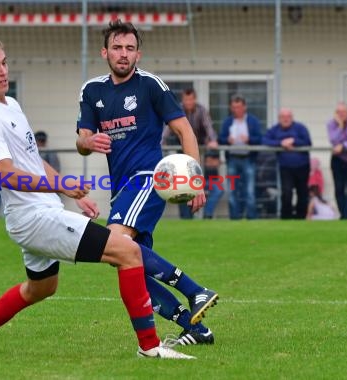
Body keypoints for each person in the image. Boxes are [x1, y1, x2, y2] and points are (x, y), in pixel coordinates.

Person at [0, 36, 199, 360]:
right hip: (33, 219)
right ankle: (150, 347)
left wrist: (71, 194)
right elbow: (7, 175)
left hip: (40, 212)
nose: (2, 71)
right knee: (126, 251)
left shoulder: (10, 105)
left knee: (40, 288)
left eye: (4, 63)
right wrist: (64, 186)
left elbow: (32, 160)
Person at [75, 20, 218, 347]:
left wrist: (195, 181)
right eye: (116, 48)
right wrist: (89, 142)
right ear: (105, 52)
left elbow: (186, 132)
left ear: (138, 53)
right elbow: (81, 140)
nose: (123, 54)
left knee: (110, 243)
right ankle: (192, 325)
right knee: (128, 262)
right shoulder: (91, 90)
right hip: (121, 190)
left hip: (149, 178)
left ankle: (196, 291)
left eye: (129, 48)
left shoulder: (150, 84)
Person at [162, 88, 224, 219]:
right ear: (182, 100)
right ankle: (186, 218)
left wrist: (213, 141)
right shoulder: (177, 109)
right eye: (186, 100)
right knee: (181, 187)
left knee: (216, 188)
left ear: (194, 99)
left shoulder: (201, 110)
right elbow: (166, 130)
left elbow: (209, 127)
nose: (188, 102)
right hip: (182, 154)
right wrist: (161, 143)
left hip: (202, 154)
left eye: (191, 99)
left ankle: (207, 215)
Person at [218, 94, 263, 220]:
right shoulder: (228, 121)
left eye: (238, 107)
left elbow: (260, 138)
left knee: (249, 190)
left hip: (248, 159)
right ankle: (234, 218)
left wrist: (249, 139)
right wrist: (227, 140)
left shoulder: (252, 121)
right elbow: (220, 138)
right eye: (233, 107)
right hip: (232, 159)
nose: (236, 110)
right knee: (232, 191)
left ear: (244, 107)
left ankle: (251, 218)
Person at [263, 108, 312, 219]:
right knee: (286, 192)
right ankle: (286, 218)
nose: (286, 119)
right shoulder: (275, 130)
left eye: (288, 117)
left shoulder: (300, 128)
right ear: (279, 118)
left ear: (292, 117)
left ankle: (301, 217)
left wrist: (293, 141)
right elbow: (265, 140)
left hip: (302, 166)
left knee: (302, 193)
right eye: (283, 117)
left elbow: (307, 142)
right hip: (285, 167)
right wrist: (281, 143)